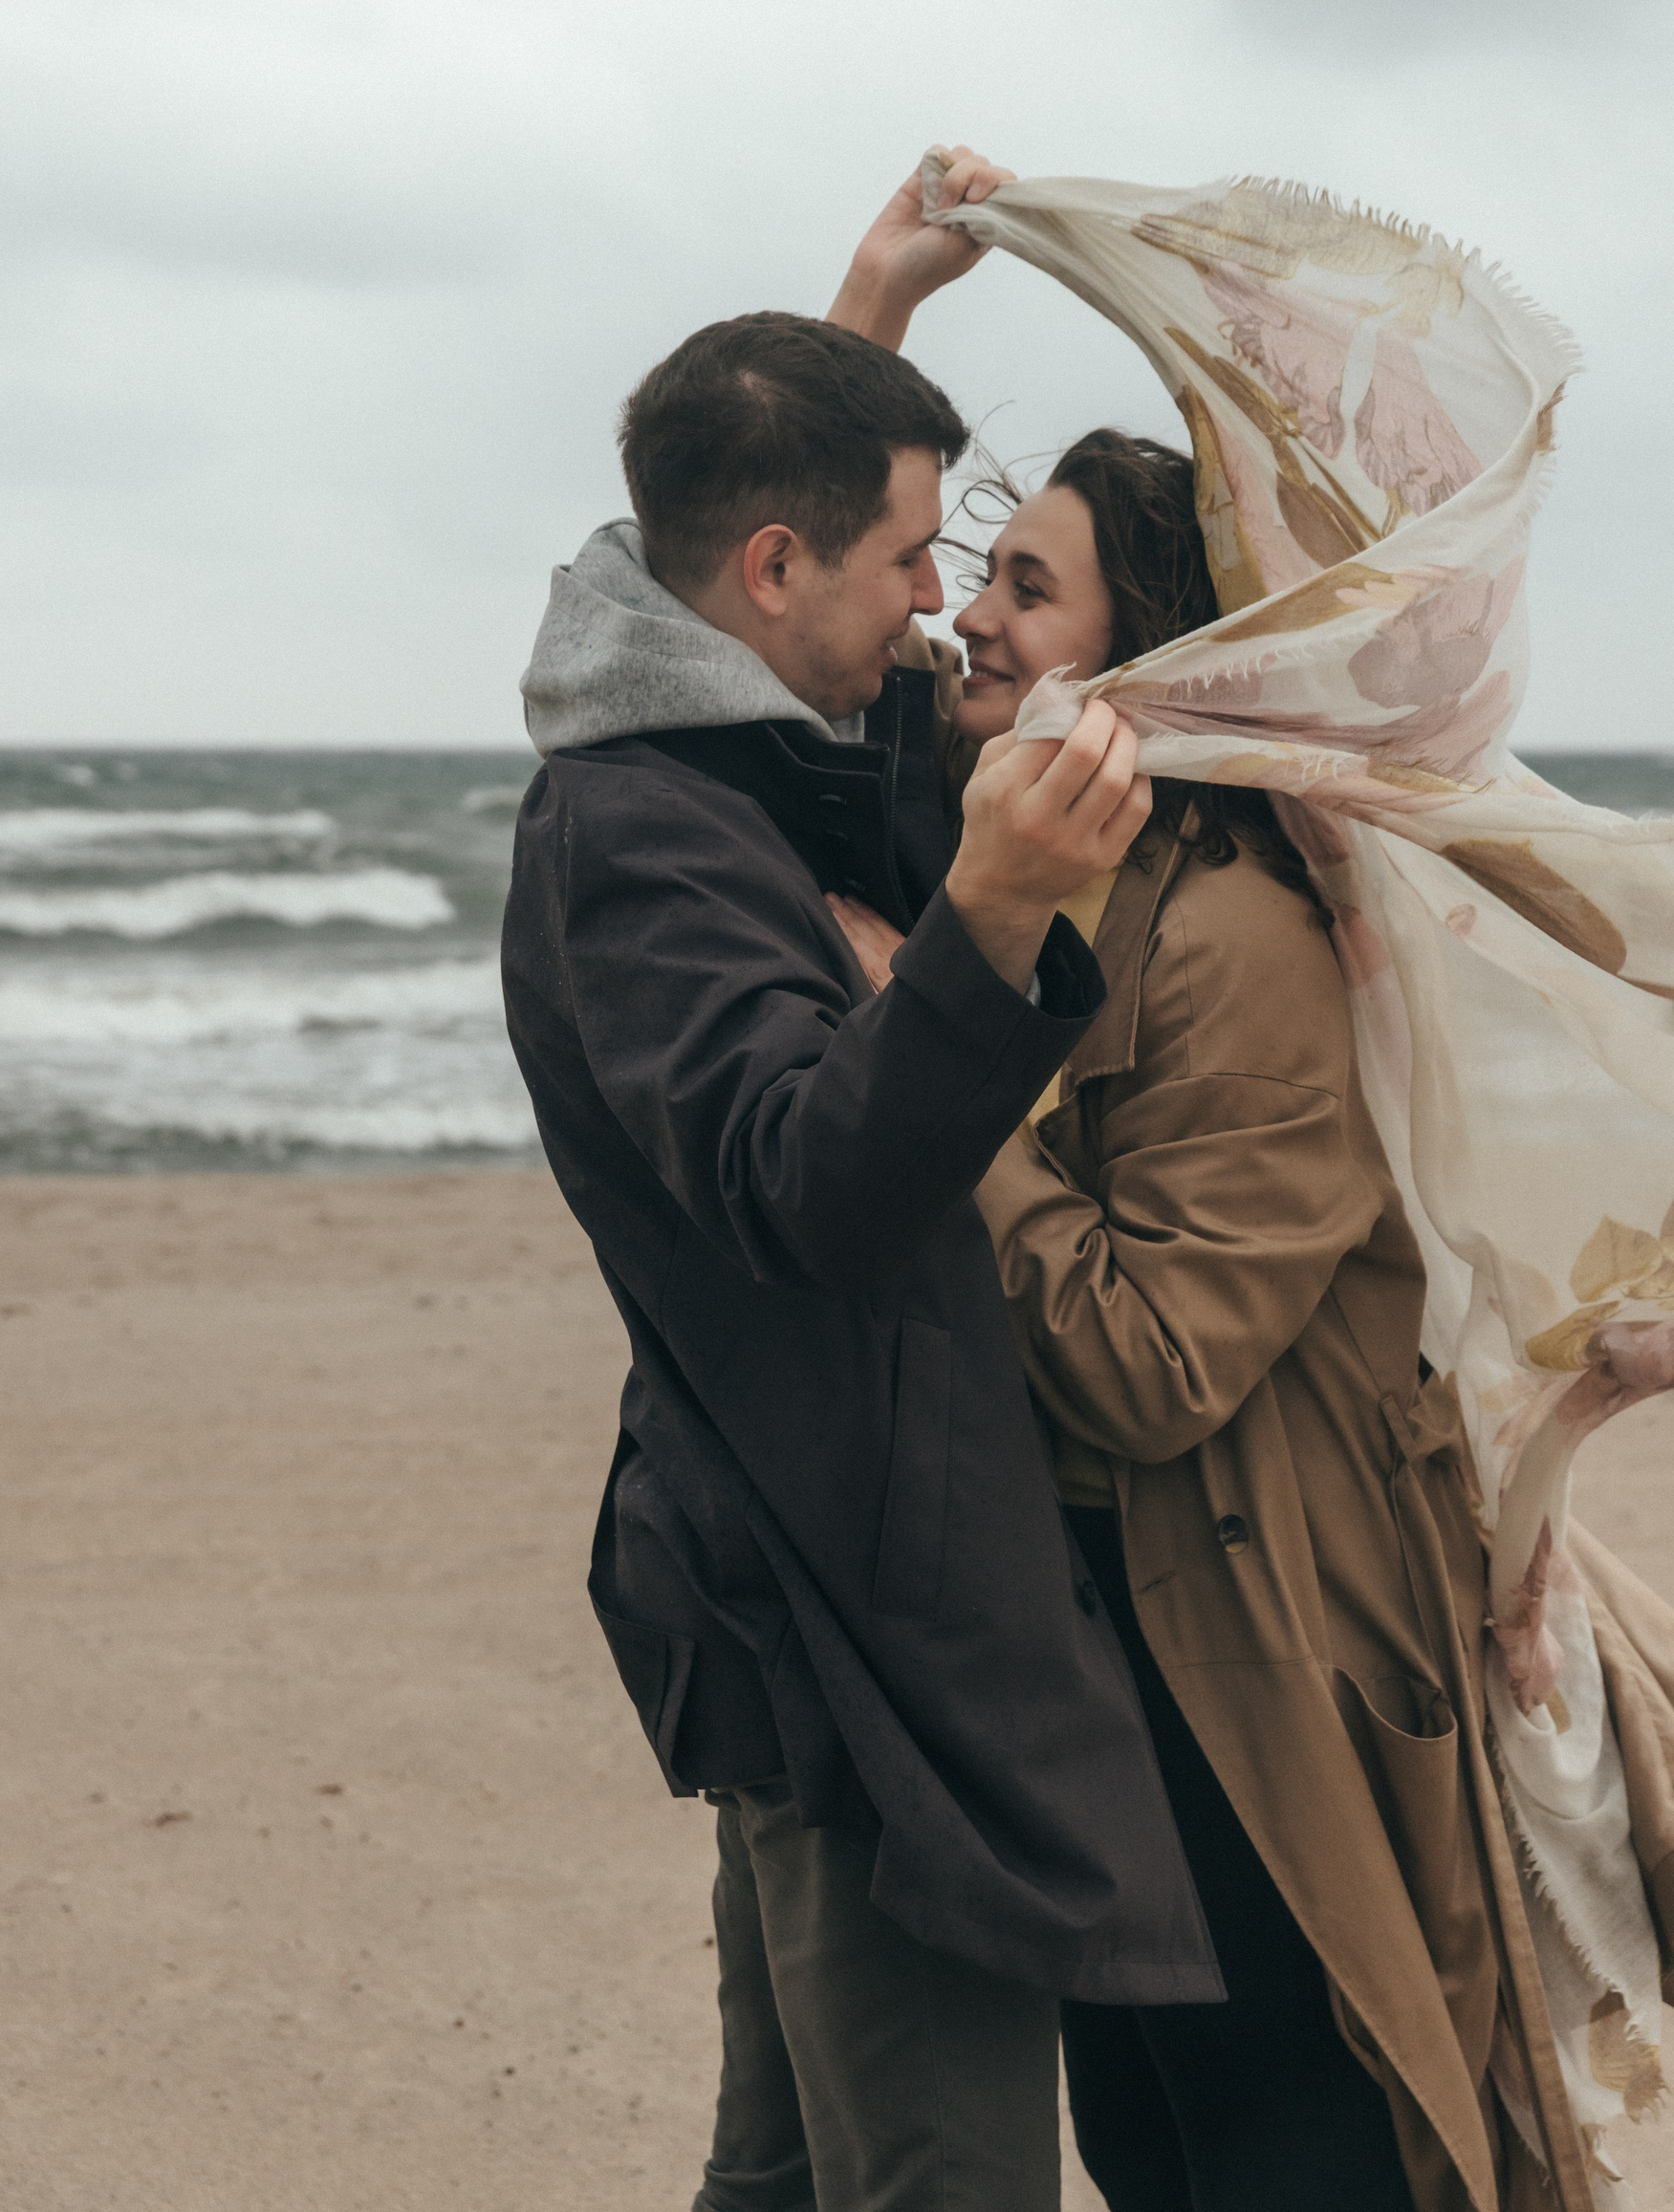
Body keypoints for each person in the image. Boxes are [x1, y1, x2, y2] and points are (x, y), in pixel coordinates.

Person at [498, 155, 1222, 2212]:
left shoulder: (709, 745)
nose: (935, 606)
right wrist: (988, 920)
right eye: (909, 558)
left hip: (805, 1563)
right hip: (840, 1607)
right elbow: (799, 1186)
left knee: (789, 2178)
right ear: (772, 568)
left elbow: (772, 659)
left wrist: (865, 325)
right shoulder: (637, 835)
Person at [832, 428, 1587, 2209]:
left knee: (1288, 2140)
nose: (971, 621)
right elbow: (767, 592)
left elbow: (1153, 1367)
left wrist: (932, 1046)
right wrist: (871, 316)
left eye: (1029, 589)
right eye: (980, 573)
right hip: (1098, 1619)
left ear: (1153, 657)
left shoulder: (1234, 942)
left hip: (1254, 1632)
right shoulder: (1033, 860)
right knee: (1149, 2137)